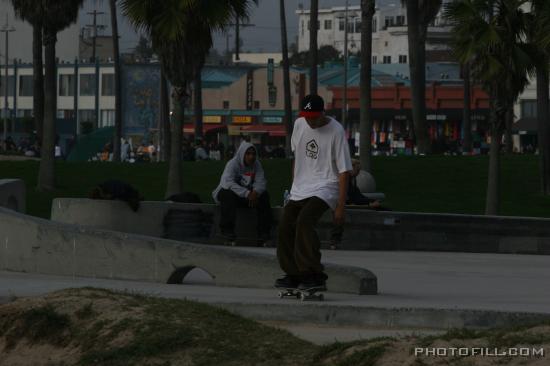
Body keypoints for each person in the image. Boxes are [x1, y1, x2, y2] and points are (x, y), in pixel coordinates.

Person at [275, 94, 352, 291]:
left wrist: (340, 207)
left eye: (314, 118)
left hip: (327, 186)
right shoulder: (300, 124)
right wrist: (294, 188)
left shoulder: (336, 131)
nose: (310, 121)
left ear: (322, 114)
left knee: (304, 221)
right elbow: (297, 157)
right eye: (307, 117)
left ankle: (313, 273)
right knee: (285, 225)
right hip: (301, 188)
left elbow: (344, 172)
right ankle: (293, 273)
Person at [212, 141, 272, 246]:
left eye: (253, 154)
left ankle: (264, 234)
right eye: (248, 154)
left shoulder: (257, 164)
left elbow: (261, 181)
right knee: (227, 194)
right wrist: (247, 193)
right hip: (227, 193)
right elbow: (228, 182)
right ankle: (227, 232)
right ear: (242, 154)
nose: (251, 157)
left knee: (264, 196)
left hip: (247, 197)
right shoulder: (232, 164)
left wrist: (255, 192)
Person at [329, 159, 382, 250]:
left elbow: (358, 195)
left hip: (347, 203)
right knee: (338, 220)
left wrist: (371, 201)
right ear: (351, 168)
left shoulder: (352, 179)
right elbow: (353, 197)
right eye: (357, 170)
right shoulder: (345, 178)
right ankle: (334, 242)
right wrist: (370, 203)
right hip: (342, 204)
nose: (358, 173)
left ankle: (335, 241)